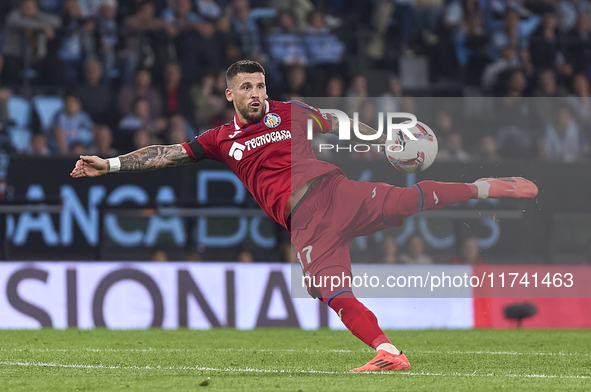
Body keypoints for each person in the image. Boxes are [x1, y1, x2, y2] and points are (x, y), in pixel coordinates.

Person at [71, 60, 539, 372]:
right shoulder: (217, 140)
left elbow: (335, 121)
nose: (256, 94)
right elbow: (167, 153)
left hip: (330, 195)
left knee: (406, 200)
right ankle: (388, 352)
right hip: (307, 224)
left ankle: (486, 186)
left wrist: (385, 138)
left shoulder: (289, 112)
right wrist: (109, 164)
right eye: (247, 88)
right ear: (230, 94)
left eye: (260, 86)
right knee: (331, 291)